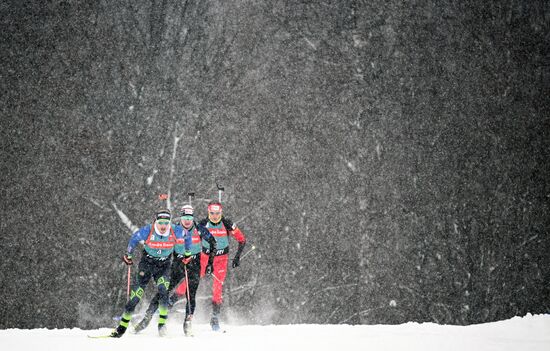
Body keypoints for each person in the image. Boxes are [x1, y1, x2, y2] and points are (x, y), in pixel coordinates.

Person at [133, 204, 216, 336]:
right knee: (163, 291)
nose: (187, 221)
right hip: (178, 264)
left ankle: (187, 323)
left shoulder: (199, 229)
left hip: (194, 265)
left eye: (190, 218)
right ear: (181, 218)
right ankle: (147, 318)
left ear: (193, 218)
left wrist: (210, 263)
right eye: (184, 218)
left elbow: (213, 242)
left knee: (191, 295)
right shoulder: (174, 229)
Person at [110, 209, 192, 338]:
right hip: (147, 264)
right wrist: (128, 255)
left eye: (166, 222)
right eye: (160, 223)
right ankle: (122, 327)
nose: (163, 226)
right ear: (155, 222)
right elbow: (134, 238)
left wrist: (188, 254)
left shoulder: (175, 230)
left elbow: (187, 236)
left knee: (163, 291)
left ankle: (161, 325)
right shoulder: (148, 230)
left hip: (163, 266)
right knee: (136, 296)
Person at [198, 201, 246, 331]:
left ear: (221, 213)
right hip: (205, 258)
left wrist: (237, 257)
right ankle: (168, 303)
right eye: (212, 213)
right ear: (208, 213)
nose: (214, 216)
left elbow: (242, 239)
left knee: (218, 287)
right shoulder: (202, 224)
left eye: (217, 213)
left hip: (221, 259)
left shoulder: (227, 223)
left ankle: (215, 317)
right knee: (190, 280)